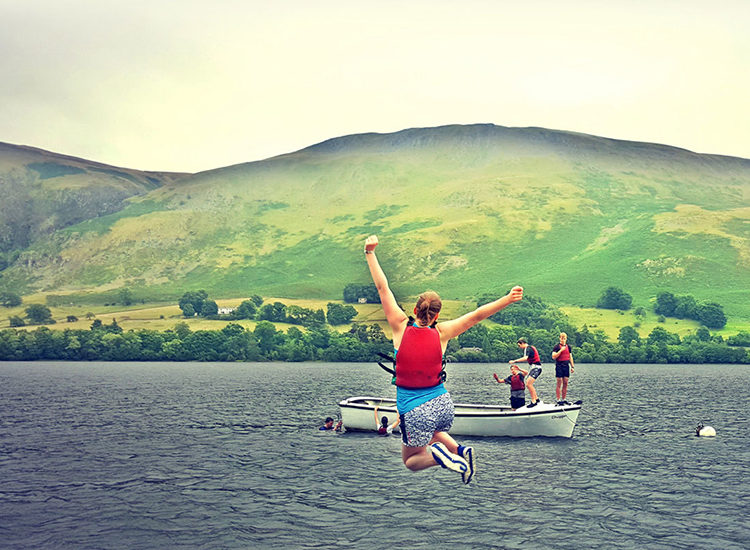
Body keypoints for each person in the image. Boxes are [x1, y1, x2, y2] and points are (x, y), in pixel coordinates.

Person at [364, 234, 523, 484]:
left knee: (411, 462)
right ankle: (459, 451)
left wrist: (370, 253)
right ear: (437, 315)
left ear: (415, 310)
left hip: (414, 409)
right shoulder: (442, 332)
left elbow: (383, 288)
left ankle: (439, 458)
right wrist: (507, 298)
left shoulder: (399, 326)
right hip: (443, 405)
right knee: (434, 430)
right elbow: (477, 315)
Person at [508, 337, 542, 407]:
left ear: (522, 343)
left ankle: (534, 401)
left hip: (536, 368)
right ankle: (536, 399)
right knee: (529, 383)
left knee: (528, 384)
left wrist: (514, 361)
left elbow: (525, 358)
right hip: (535, 367)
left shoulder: (528, 348)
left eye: (519, 345)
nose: (519, 347)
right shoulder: (530, 348)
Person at [551, 332, 575, 405]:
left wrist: (572, 366)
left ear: (566, 339)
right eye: (561, 338)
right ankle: (558, 400)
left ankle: (564, 399)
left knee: (565, 383)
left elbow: (570, 356)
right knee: (559, 383)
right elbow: (553, 356)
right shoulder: (557, 346)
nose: (563, 340)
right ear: (559, 338)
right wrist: (561, 350)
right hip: (559, 366)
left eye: (564, 338)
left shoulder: (569, 347)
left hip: (566, 366)